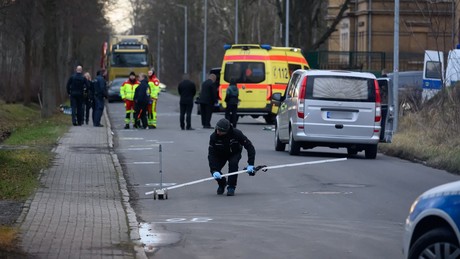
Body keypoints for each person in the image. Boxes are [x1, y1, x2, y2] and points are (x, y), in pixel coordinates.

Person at [208, 118, 256, 196]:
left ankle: (231, 186)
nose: (218, 132)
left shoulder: (237, 134)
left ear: (226, 131)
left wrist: (251, 164)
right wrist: (214, 170)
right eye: (217, 129)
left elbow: (250, 147)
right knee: (214, 170)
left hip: (234, 153)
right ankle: (222, 183)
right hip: (220, 154)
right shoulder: (213, 137)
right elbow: (211, 155)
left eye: (220, 131)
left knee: (233, 164)